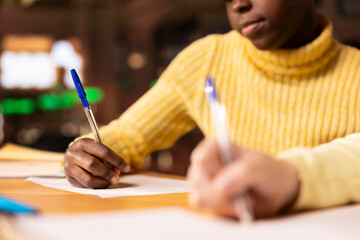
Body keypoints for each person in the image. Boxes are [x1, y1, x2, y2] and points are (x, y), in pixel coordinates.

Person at [64, 0, 360, 219]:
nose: (239, 5)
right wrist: (89, 155)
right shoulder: (208, 58)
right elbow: (129, 134)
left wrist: (294, 176)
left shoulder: (355, 72)